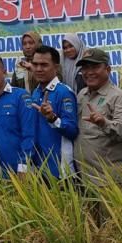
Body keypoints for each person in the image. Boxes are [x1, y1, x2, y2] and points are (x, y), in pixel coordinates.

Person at [74, 48, 122, 186]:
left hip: (110, 182)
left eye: (95, 67)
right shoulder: (82, 94)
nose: (89, 72)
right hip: (85, 180)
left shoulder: (117, 96)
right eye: (85, 68)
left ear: (108, 69)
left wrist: (104, 123)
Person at [30, 46, 78, 179]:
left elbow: (72, 131)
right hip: (40, 169)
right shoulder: (36, 92)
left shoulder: (64, 92)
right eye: (35, 64)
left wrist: (53, 118)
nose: (38, 69)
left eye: (44, 65)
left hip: (60, 171)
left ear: (56, 68)